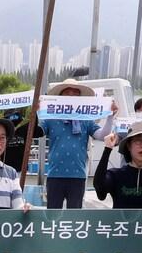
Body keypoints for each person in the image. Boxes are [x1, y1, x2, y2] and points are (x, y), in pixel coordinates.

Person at [34, 78, 117, 209]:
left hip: (78, 175)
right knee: (52, 216)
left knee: (75, 216)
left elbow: (102, 135)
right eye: (68, 92)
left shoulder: (86, 119)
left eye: (75, 92)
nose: (72, 95)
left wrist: (110, 116)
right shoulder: (50, 117)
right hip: (55, 175)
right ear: (60, 96)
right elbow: (37, 132)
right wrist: (35, 113)